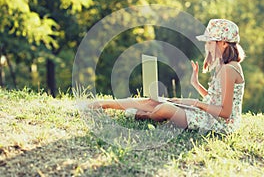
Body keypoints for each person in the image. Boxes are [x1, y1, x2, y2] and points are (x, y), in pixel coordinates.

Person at [89, 19, 245, 134]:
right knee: (156, 101)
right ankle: (103, 104)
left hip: (220, 124)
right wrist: (196, 85)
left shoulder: (229, 70)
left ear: (223, 43)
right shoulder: (225, 67)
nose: (206, 46)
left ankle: (144, 116)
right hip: (209, 115)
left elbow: (225, 112)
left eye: (210, 42)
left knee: (164, 108)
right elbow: (215, 99)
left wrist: (196, 103)